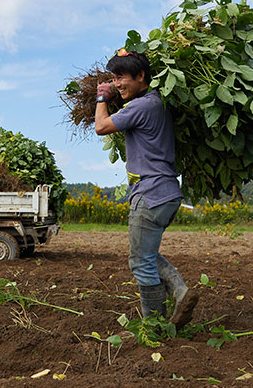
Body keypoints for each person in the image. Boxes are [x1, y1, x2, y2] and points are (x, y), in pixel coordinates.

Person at [95, 49, 198, 327]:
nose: (117, 83)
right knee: (146, 255)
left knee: (140, 262)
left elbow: (101, 126)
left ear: (142, 76)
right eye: (113, 78)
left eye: (121, 78)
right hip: (167, 193)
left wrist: (102, 97)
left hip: (150, 193)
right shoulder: (157, 103)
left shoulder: (142, 107)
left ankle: (155, 324)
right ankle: (179, 291)